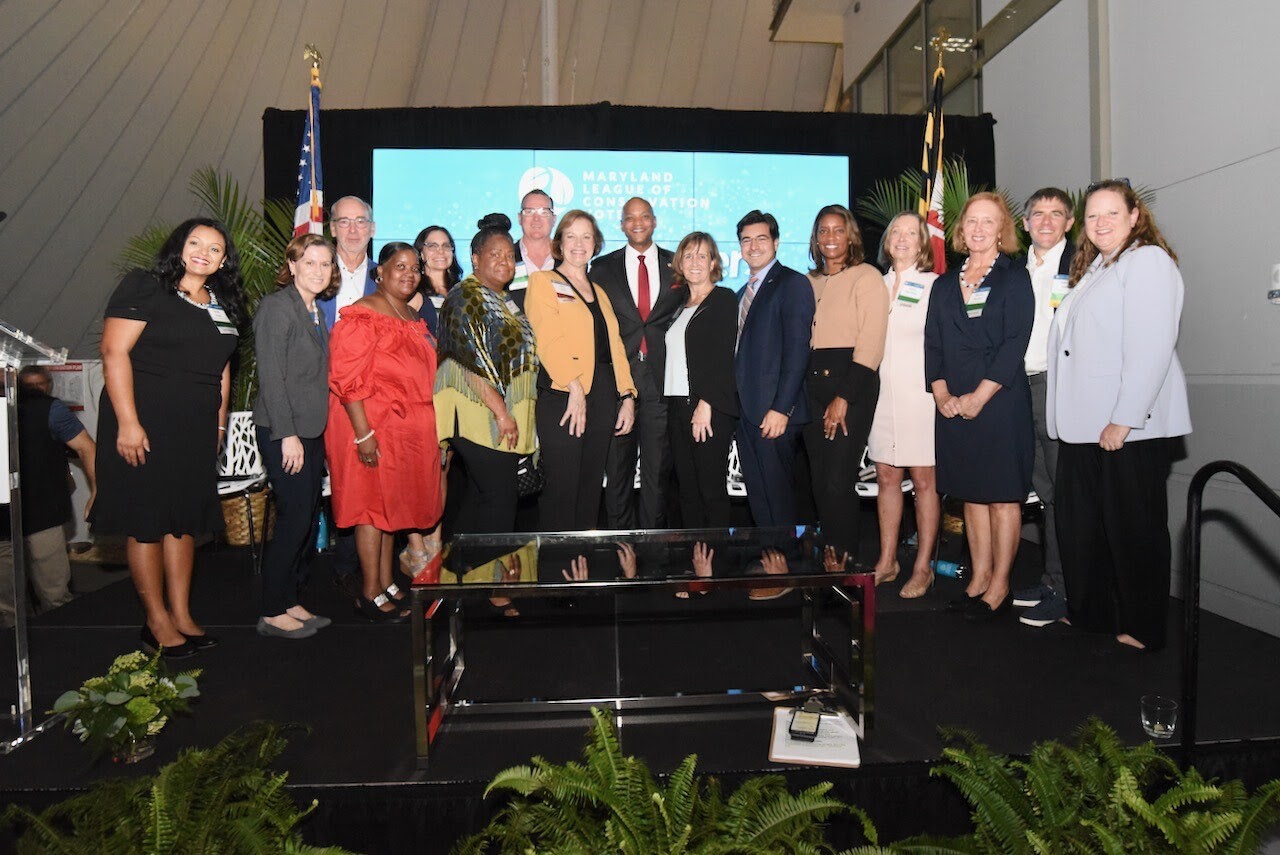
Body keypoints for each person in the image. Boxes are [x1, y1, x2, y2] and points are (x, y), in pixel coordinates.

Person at [1048, 180, 1190, 652]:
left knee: (1134, 528)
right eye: (1092, 216)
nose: (1101, 222)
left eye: (1112, 213)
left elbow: (1152, 347)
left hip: (1126, 427)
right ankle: (1091, 615)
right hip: (1081, 426)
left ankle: (1143, 627)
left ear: (1134, 217)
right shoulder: (1095, 272)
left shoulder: (1148, 262)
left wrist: (1124, 419)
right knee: (1082, 526)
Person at [91, 217, 243, 657]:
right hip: (146, 421)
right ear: (178, 246)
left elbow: (223, 371)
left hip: (196, 428)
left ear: (223, 261)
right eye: (195, 242)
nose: (204, 252)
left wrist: (218, 424)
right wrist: (128, 423)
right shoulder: (145, 286)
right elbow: (113, 352)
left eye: (215, 248)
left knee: (185, 523)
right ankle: (155, 622)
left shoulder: (222, 302)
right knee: (149, 521)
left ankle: (181, 614)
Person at [924, 193, 1034, 621]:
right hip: (952, 404)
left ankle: (1000, 583)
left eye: (989, 222)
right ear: (961, 229)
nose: (979, 229)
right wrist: (942, 395)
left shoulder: (1014, 277)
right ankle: (978, 577)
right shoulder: (944, 283)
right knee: (971, 494)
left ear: (1002, 229)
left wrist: (978, 397)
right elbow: (932, 342)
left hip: (999, 402)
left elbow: (1013, 345)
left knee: (1003, 497)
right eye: (972, 221)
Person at [326, 242, 443, 621]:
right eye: (400, 266)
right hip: (371, 426)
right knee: (371, 510)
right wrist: (363, 435)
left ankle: (387, 578)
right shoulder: (362, 314)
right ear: (381, 272)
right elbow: (346, 380)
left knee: (391, 507)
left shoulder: (410, 315)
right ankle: (370, 591)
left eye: (414, 268)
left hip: (403, 430)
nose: (408, 274)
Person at [525, 209, 636, 531]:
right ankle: (556, 570)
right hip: (563, 393)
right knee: (562, 487)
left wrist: (627, 395)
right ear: (559, 242)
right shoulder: (543, 281)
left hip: (603, 394)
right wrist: (573, 387)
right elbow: (548, 338)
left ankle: (581, 566)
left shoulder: (598, 291)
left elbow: (615, 346)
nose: (579, 243)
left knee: (590, 486)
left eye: (586, 236)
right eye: (571, 236)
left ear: (596, 243)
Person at [251, 234, 338, 640]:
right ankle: (271, 609)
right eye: (310, 263)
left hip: (310, 430)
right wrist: (287, 436)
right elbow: (271, 376)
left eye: (325, 264)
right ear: (292, 265)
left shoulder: (315, 310)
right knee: (293, 521)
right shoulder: (276, 307)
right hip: (284, 431)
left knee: (304, 521)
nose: (318, 271)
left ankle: (288, 599)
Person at [435, 213, 539, 534]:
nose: (505, 261)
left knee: (482, 499)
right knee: (499, 501)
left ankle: (461, 575)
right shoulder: (465, 297)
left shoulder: (504, 299)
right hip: (482, 418)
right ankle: (493, 578)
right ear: (475, 258)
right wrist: (502, 413)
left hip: (500, 417)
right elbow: (469, 364)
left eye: (510, 255)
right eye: (495, 254)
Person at [803, 205, 888, 565]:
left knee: (839, 478)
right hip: (810, 387)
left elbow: (871, 342)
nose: (831, 238)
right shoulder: (807, 282)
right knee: (820, 481)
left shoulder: (867, 276)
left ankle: (845, 562)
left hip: (850, 384)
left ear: (850, 235)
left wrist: (844, 397)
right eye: (824, 231)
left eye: (838, 230)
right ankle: (829, 558)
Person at [590, 197, 681, 529]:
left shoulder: (678, 265)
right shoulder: (600, 268)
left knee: (657, 474)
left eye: (644, 217)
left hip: (661, 382)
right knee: (617, 474)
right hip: (618, 383)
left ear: (654, 221)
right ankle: (620, 549)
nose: (638, 223)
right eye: (630, 218)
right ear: (621, 225)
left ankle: (653, 553)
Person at [1013, 187, 1077, 627]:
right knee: (1047, 494)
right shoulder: (1016, 272)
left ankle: (1069, 592)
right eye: (1038, 214)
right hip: (1020, 389)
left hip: (1061, 387)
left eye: (1056, 214)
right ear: (1025, 223)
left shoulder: (1082, 267)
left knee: (1065, 493)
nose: (1047, 221)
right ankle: (1053, 579)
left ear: (1069, 223)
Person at [868, 212, 940, 598]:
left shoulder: (934, 286)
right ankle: (887, 560)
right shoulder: (873, 284)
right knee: (886, 479)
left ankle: (923, 566)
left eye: (911, 233)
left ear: (923, 244)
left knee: (925, 481)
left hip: (921, 397)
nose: (902, 238)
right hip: (881, 399)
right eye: (896, 231)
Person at [733, 210, 815, 528]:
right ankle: (771, 568)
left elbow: (798, 351)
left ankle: (786, 571)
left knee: (778, 501)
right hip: (746, 414)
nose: (753, 246)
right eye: (746, 240)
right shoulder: (742, 294)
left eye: (761, 238)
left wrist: (782, 408)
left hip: (775, 414)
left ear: (776, 243)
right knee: (760, 501)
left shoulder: (792, 284)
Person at [0, 367, 97, 627]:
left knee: (54, 595)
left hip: (41, 513)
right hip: (2, 523)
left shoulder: (47, 408)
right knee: (7, 606)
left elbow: (87, 447)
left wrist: (97, 492)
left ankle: (64, 648)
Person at [317, 195, 380, 595]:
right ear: (333, 228)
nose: (353, 229)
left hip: (378, 398)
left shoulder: (389, 275)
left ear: (373, 229)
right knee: (339, 478)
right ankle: (343, 558)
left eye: (361, 222)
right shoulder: (317, 273)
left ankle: (367, 567)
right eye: (345, 222)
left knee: (373, 481)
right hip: (325, 395)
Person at [663, 232, 738, 528]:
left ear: (714, 262)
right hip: (677, 406)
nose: (695, 262)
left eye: (702, 256)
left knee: (711, 492)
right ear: (680, 261)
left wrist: (706, 403)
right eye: (689, 255)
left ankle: (715, 562)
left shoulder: (723, 299)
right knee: (688, 492)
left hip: (708, 407)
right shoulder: (679, 304)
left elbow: (723, 356)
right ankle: (697, 560)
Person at [411, 224, 463, 336]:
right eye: (432, 246)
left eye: (446, 246)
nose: (440, 251)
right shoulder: (412, 292)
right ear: (421, 254)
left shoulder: (462, 291)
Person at [509, 189, 558, 302]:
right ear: (520, 218)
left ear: (554, 219)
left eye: (544, 212)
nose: (536, 219)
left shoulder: (567, 259)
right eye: (529, 212)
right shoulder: (506, 259)